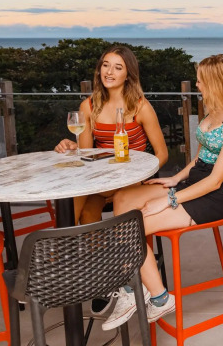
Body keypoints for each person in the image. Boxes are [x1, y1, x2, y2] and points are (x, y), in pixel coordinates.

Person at [103, 54, 223, 331]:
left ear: (218, 83)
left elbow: (215, 181)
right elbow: (202, 157)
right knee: (122, 198)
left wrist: (169, 199)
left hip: (216, 197)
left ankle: (158, 296)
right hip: (195, 184)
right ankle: (137, 279)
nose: (197, 84)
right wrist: (176, 178)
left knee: (131, 226)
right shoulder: (214, 111)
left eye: (201, 80)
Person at [54, 45, 168, 225]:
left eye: (118, 67)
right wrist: (73, 146)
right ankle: (65, 239)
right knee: (84, 209)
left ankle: (62, 238)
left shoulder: (141, 107)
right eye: (106, 65)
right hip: (102, 178)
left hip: (133, 177)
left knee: (79, 194)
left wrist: (138, 179)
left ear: (128, 74)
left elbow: (162, 154)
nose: (109, 72)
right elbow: (86, 153)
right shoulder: (88, 106)